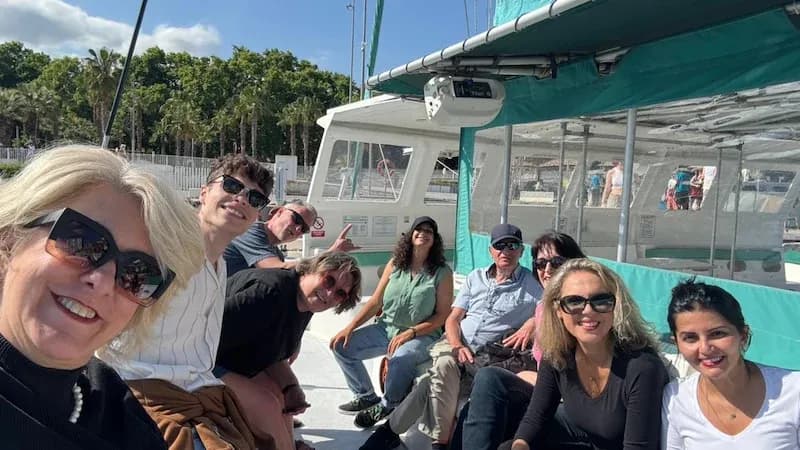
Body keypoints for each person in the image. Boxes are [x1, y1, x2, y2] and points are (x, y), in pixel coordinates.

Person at [0, 145, 204, 449]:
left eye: (137, 275)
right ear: (10, 237)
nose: (103, 282)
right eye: (81, 242)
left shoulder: (125, 421)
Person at [98, 153, 274, 450]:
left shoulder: (221, 267)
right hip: (138, 386)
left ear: (257, 214)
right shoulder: (164, 248)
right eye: (232, 186)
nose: (242, 199)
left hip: (196, 392)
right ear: (204, 193)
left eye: (255, 198)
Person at [360, 223, 542, 450]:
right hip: (456, 345)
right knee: (446, 362)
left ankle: (397, 433)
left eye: (512, 246)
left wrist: (532, 322)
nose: (505, 251)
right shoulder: (476, 277)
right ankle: (427, 441)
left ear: (521, 251)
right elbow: (453, 318)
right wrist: (457, 345)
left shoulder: (533, 284)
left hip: (489, 356)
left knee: (430, 382)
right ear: (491, 251)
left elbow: (550, 308)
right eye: (500, 246)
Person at [506, 258, 668, 450]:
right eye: (574, 302)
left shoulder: (642, 367)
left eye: (601, 300)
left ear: (615, 306)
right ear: (558, 310)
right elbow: (536, 417)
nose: (588, 311)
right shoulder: (558, 354)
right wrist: (519, 445)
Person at [452, 231, 586, 450]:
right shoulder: (544, 309)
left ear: (573, 263)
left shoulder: (584, 311)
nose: (547, 270)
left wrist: (533, 377)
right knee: (480, 395)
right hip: (543, 387)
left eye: (556, 262)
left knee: (490, 382)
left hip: (570, 401)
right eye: (540, 264)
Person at [216, 252, 362, 450]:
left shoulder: (304, 305)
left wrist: (290, 387)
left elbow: (270, 349)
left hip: (231, 358)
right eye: (329, 280)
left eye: (340, 293)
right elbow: (206, 334)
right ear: (312, 269)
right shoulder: (267, 292)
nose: (329, 294)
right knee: (266, 404)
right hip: (199, 359)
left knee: (281, 398)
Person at [330, 216, 453, 426]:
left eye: (429, 232)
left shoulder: (442, 273)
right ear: (411, 235)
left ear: (434, 240)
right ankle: (366, 396)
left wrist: (412, 332)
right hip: (386, 328)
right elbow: (376, 301)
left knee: (400, 358)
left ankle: (388, 405)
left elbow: (442, 315)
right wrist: (350, 327)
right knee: (341, 347)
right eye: (419, 229)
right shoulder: (396, 264)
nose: (423, 234)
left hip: (422, 335)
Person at [661, 279, 800, 449]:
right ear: (676, 343)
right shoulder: (676, 399)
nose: (705, 348)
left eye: (717, 334)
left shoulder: (794, 391)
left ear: (743, 335)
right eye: (690, 338)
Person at [224, 200, 360, 275]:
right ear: (279, 212)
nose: (298, 229)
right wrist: (330, 253)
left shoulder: (276, 255)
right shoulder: (250, 231)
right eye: (296, 219)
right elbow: (275, 269)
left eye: (304, 229)